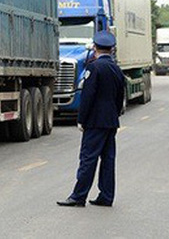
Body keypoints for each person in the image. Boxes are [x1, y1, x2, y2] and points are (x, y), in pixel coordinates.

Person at [57, 31, 125, 207]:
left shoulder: (93, 68)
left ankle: (78, 196)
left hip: (95, 121)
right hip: (110, 121)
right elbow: (120, 97)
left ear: (95, 48)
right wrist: (114, 115)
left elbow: (88, 96)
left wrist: (82, 119)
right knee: (108, 160)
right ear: (111, 49)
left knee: (88, 159)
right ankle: (106, 196)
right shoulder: (117, 69)